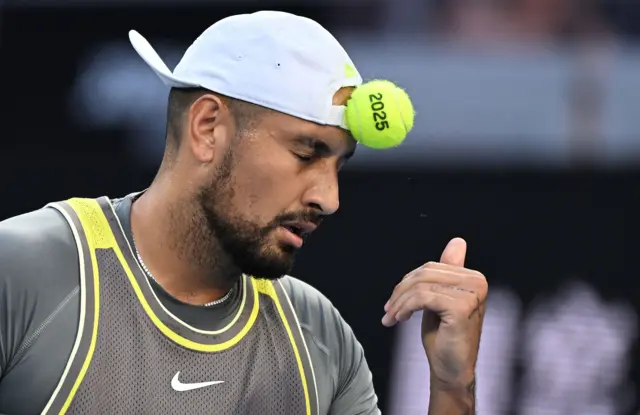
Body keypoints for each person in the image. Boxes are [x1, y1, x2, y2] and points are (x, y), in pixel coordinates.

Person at [0, 11, 487, 415]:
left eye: (339, 164)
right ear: (208, 128)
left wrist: (452, 388)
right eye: (307, 152)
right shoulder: (22, 271)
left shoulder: (319, 335)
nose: (329, 198)